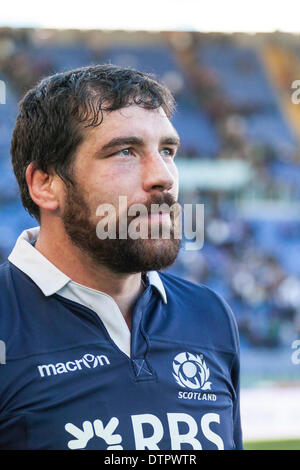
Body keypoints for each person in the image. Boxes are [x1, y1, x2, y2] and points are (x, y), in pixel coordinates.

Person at [0, 65, 243, 450]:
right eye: (125, 151)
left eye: (167, 150)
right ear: (45, 185)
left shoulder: (209, 314)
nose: (163, 176)